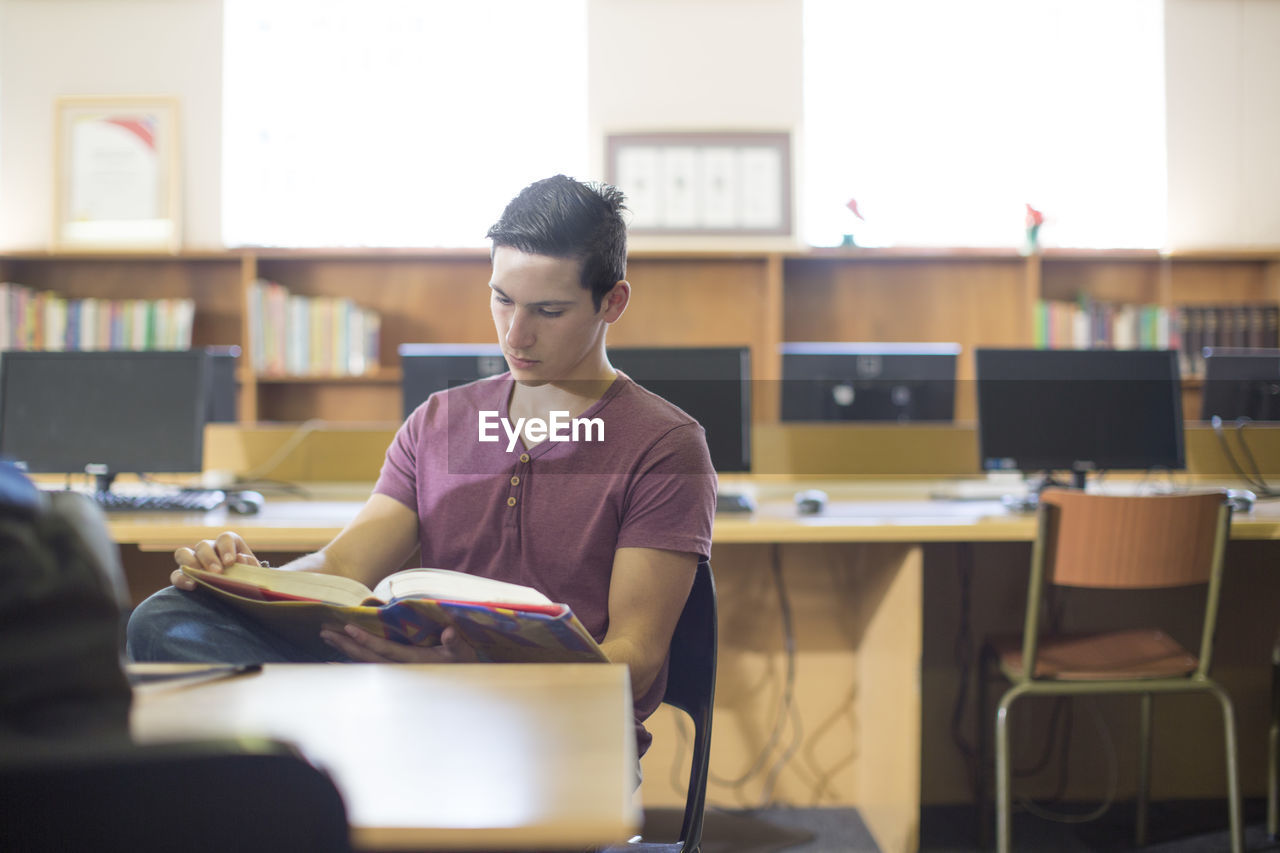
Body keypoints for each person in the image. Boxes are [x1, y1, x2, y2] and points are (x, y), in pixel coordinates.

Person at [127, 174, 717, 757]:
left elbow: (635, 660)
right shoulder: (438, 421)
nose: (516, 333)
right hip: (411, 703)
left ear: (612, 301)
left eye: (549, 310)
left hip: (556, 726)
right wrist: (256, 584)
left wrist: (484, 671)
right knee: (165, 620)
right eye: (502, 298)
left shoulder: (665, 445)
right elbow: (343, 565)